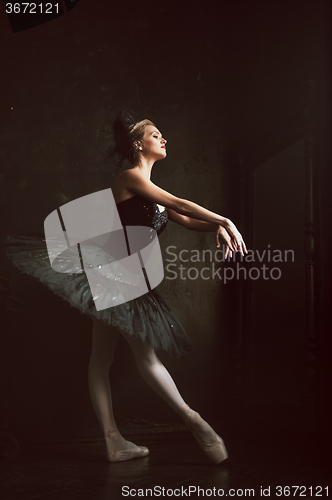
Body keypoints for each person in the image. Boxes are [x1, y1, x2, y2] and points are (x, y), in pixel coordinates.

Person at [3, 110, 247, 465]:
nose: (164, 139)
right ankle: (194, 422)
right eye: (156, 135)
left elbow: (183, 217)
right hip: (116, 273)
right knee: (137, 358)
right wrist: (226, 220)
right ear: (138, 144)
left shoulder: (151, 191)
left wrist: (215, 228)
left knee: (104, 358)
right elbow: (179, 204)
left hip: (122, 274)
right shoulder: (129, 178)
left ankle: (116, 440)